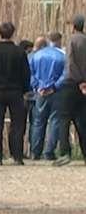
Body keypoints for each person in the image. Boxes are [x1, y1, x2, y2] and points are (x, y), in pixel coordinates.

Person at [0, 22, 31, 165]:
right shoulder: (19, 52)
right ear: (13, 33)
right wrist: (24, 89)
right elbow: (26, 73)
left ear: (0, 33)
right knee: (17, 124)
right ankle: (17, 156)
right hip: (15, 91)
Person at [29, 32, 67, 161]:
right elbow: (65, 74)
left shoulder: (36, 55)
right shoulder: (62, 56)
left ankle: (35, 151)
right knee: (55, 120)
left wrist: (37, 86)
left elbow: (31, 73)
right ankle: (49, 151)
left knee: (38, 121)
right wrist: (54, 87)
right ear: (59, 40)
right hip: (56, 92)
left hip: (40, 92)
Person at [54, 15, 86, 167]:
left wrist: (79, 81)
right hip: (84, 86)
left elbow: (71, 63)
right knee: (82, 120)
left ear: (73, 26)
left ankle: (65, 152)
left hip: (72, 83)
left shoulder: (72, 40)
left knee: (64, 118)